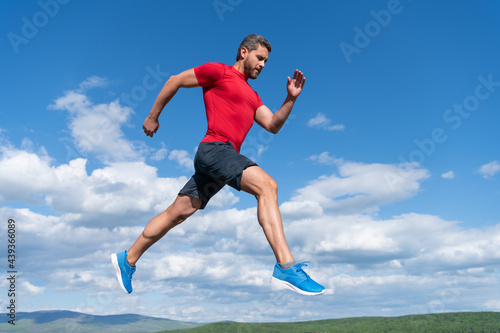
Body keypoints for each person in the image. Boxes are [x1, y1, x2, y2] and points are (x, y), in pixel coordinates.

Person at [111, 34, 325, 296]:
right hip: (215, 149)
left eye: (266, 61)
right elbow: (174, 81)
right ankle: (286, 266)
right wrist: (153, 116)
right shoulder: (219, 72)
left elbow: (272, 125)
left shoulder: (253, 96)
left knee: (176, 214)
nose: (263, 65)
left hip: (220, 161)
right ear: (244, 52)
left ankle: (128, 258)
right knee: (268, 186)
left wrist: (291, 98)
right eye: (260, 58)